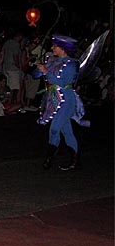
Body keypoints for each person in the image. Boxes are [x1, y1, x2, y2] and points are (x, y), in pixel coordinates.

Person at [34, 35, 85, 171]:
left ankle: (49, 158)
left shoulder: (72, 64)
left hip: (66, 100)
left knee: (55, 128)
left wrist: (46, 72)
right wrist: (38, 66)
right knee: (66, 131)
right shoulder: (52, 60)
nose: (52, 48)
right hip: (53, 100)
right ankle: (75, 160)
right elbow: (35, 75)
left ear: (62, 48)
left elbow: (63, 82)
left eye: (54, 46)